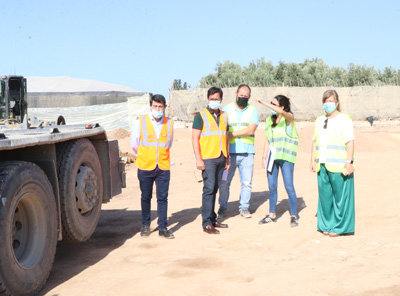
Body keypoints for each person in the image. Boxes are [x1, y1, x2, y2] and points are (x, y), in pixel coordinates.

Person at [310, 90, 355, 237]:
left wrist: (349, 162)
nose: (328, 104)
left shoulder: (345, 119)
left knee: (340, 199)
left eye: (331, 101)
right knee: (325, 197)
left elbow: (350, 142)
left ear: (337, 103)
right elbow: (314, 141)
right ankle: (326, 224)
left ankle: (339, 226)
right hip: (322, 165)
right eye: (325, 101)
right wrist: (312, 160)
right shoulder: (319, 120)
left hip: (339, 166)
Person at [131, 94, 175, 239]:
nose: (158, 109)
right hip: (145, 166)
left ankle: (163, 227)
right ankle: (145, 225)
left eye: (160, 107)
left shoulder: (169, 123)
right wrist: (145, 155)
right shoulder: (140, 122)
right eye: (155, 106)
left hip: (163, 166)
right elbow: (134, 144)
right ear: (150, 106)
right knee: (146, 196)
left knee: (163, 198)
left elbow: (169, 143)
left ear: (165, 108)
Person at [256, 95, 299, 227]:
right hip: (272, 157)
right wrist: (264, 157)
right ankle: (271, 215)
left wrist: (263, 102)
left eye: (274, 104)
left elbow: (282, 113)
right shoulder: (269, 120)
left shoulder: (289, 118)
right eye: (270, 103)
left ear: (282, 107)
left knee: (289, 186)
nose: (271, 106)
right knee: (272, 187)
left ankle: (293, 215)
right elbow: (268, 139)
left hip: (286, 157)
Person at [192, 86, 230, 234]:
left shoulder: (224, 115)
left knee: (215, 188)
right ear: (208, 99)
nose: (215, 101)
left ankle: (213, 219)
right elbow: (195, 138)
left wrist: (227, 158)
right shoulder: (200, 115)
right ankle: (206, 223)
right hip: (207, 158)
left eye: (217, 99)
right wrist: (198, 159)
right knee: (208, 189)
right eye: (212, 99)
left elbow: (226, 137)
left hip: (221, 157)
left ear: (221, 100)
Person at [218, 84, 259, 219]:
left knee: (246, 183)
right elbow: (222, 129)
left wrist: (232, 134)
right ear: (236, 94)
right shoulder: (226, 109)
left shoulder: (253, 110)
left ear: (249, 97)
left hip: (247, 153)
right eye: (241, 95)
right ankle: (222, 207)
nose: (242, 98)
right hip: (229, 154)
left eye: (245, 97)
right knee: (224, 182)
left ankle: (244, 207)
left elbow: (250, 130)